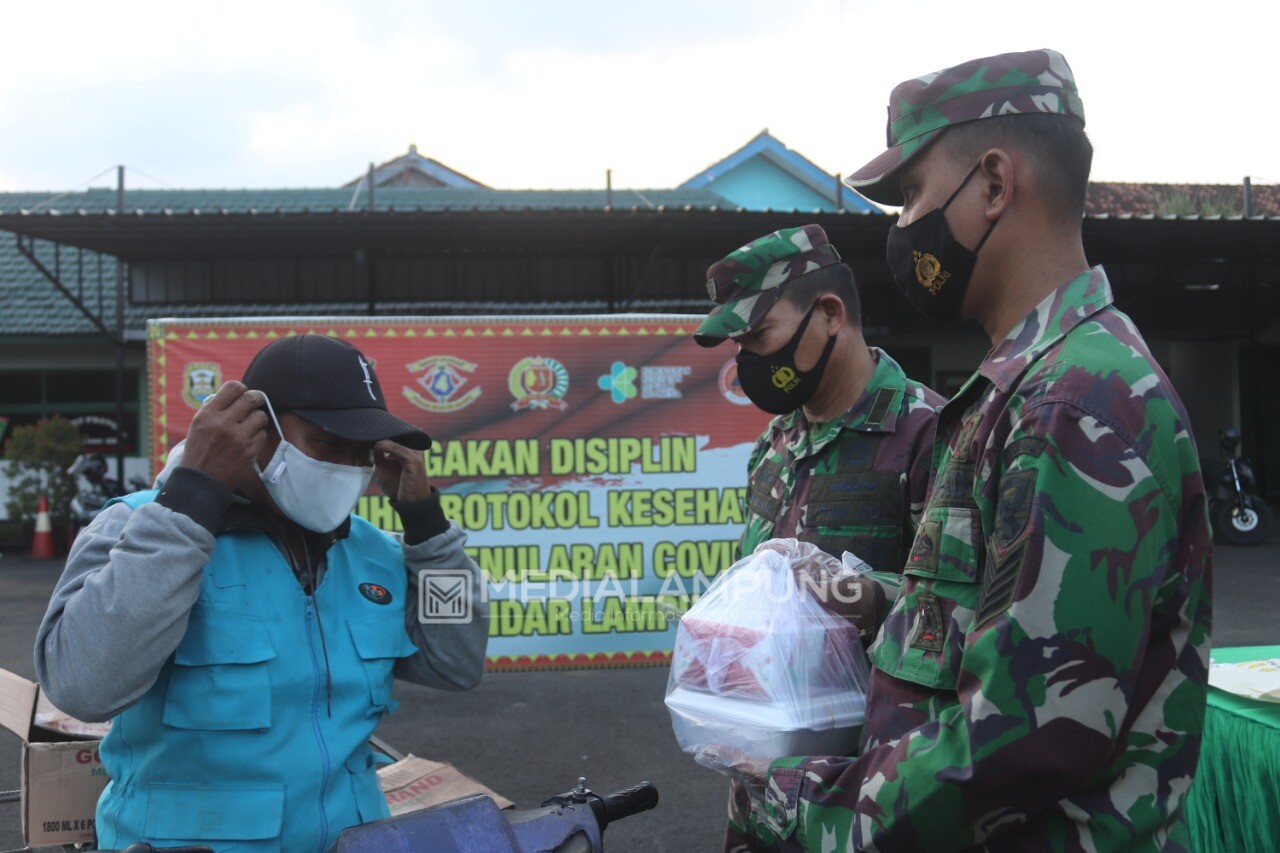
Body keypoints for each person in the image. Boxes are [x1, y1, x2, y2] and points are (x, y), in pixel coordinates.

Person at [735, 49, 1213, 851]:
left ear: (994, 184)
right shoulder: (1020, 391)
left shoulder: (1075, 401)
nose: (904, 227)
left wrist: (803, 803)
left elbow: (1023, 738)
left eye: (914, 194)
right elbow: (963, 644)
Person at [34, 334, 488, 851]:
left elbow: (456, 664)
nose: (348, 467)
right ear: (255, 429)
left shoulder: (374, 554)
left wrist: (427, 529)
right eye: (326, 444)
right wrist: (191, 499)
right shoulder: (143, 528)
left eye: (362, 452)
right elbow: (82, 687)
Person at [694, 224, 944, 850]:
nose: (748, 360)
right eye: (739, 345)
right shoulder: (773, 445)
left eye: (759, 336)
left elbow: (963, 618)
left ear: (829, 315)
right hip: (762, 795)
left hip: (865, 798)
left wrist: (864, 597)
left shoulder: (928, 433)